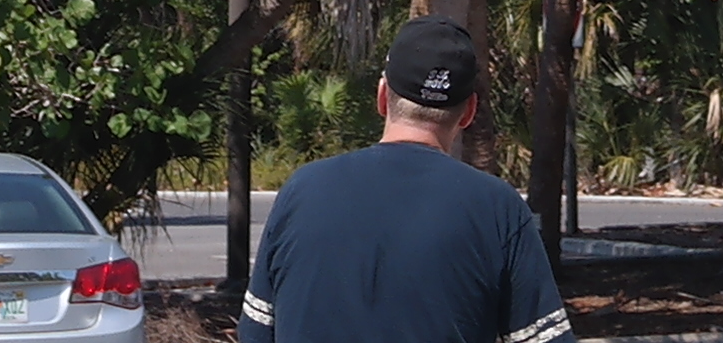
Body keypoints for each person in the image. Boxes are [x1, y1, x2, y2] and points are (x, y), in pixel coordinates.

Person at [241, 19, 565, 343]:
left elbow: (255, 332)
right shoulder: (498, 209)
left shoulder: (301, 190)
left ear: (382, 96)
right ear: (469, 112)